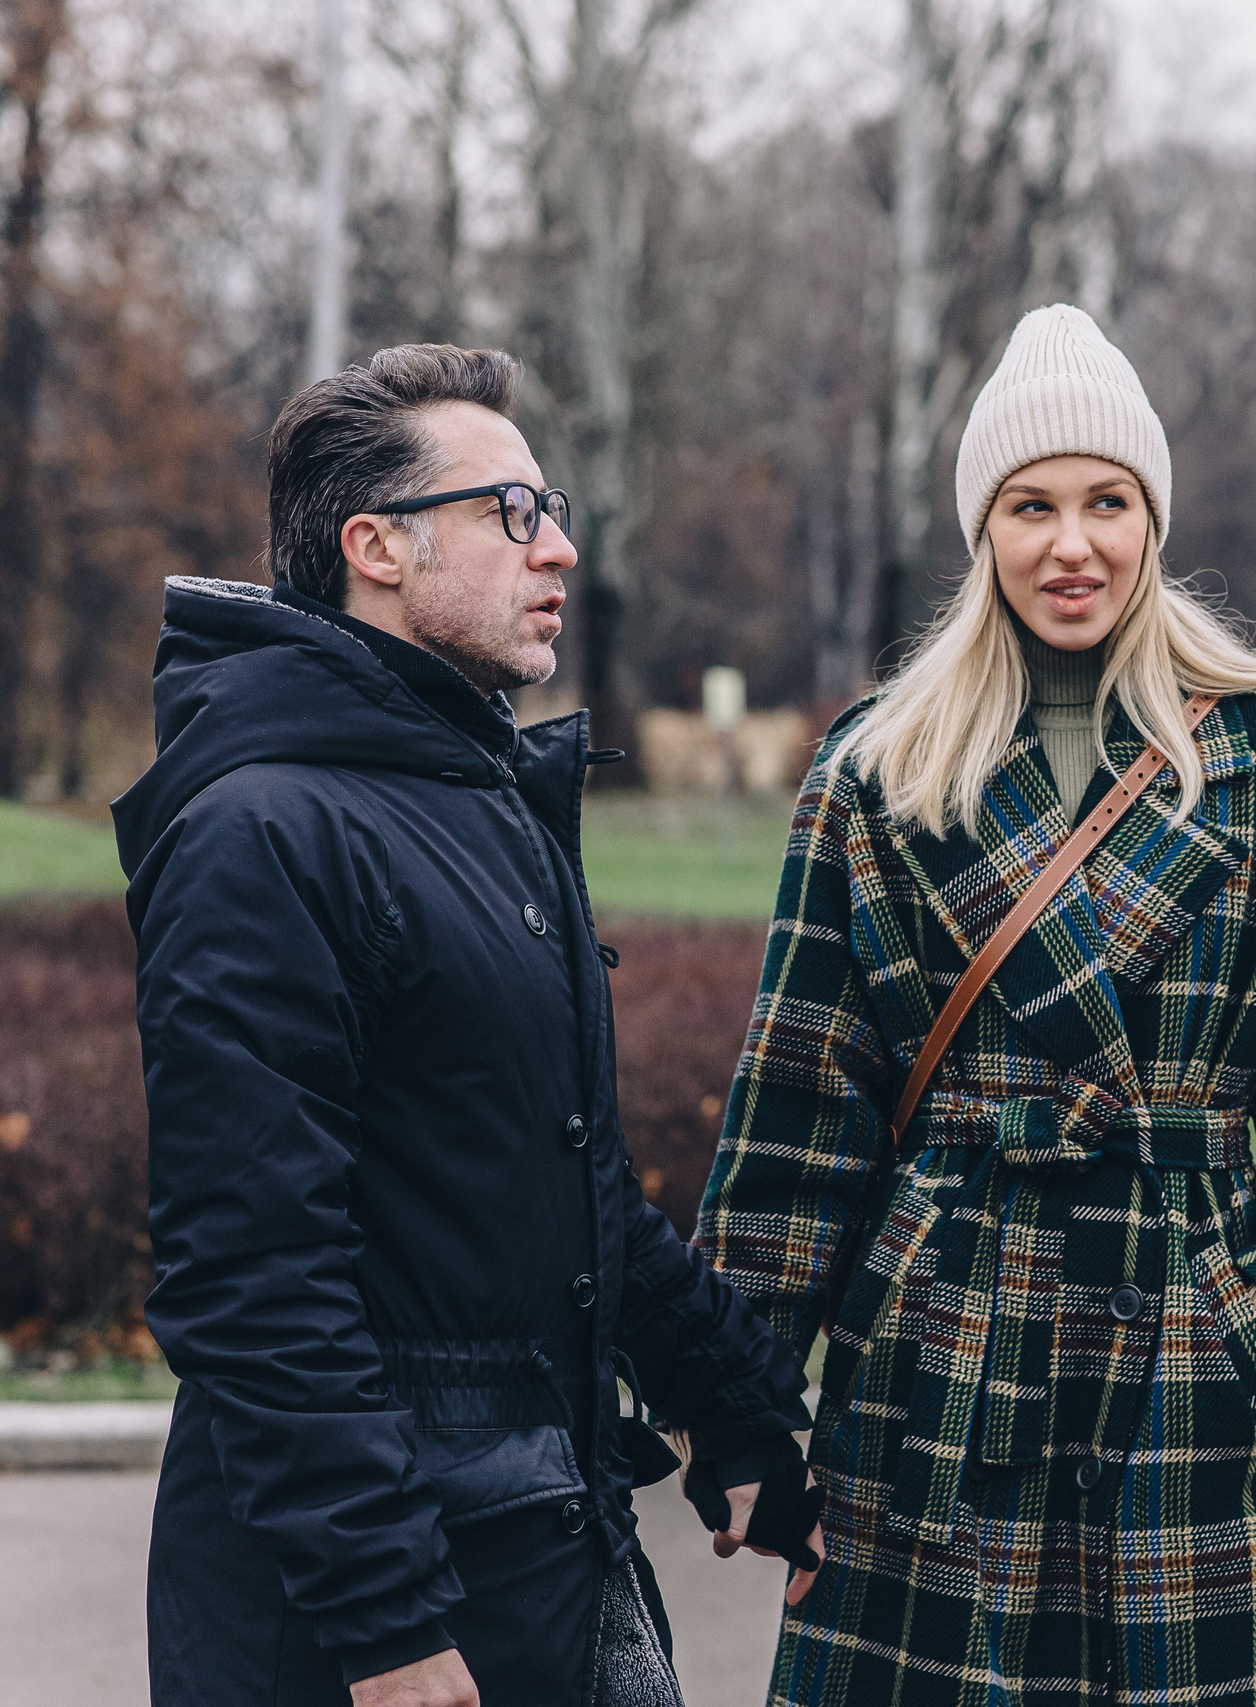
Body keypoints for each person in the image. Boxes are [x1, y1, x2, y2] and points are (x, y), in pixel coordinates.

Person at [695, 304, 1256, 1707]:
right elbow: (801, 1110)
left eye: (1107, 502)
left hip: (1189, 1353)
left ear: (1153, 520)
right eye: (1030, 505)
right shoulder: (879, 768)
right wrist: (744, 1412)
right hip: (943, 1364)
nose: (1070, 543)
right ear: (983, 529)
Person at [116, 344, 824, 1707]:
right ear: (375, 546)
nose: (555, 548)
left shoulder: (475, 801)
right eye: (512, 512)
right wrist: (384, 1620)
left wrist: (735, 1401)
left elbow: (563, 1186)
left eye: (551, 510)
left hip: (542, 1548)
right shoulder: (265, 830)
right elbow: (251, 1273)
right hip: (371, 1615)